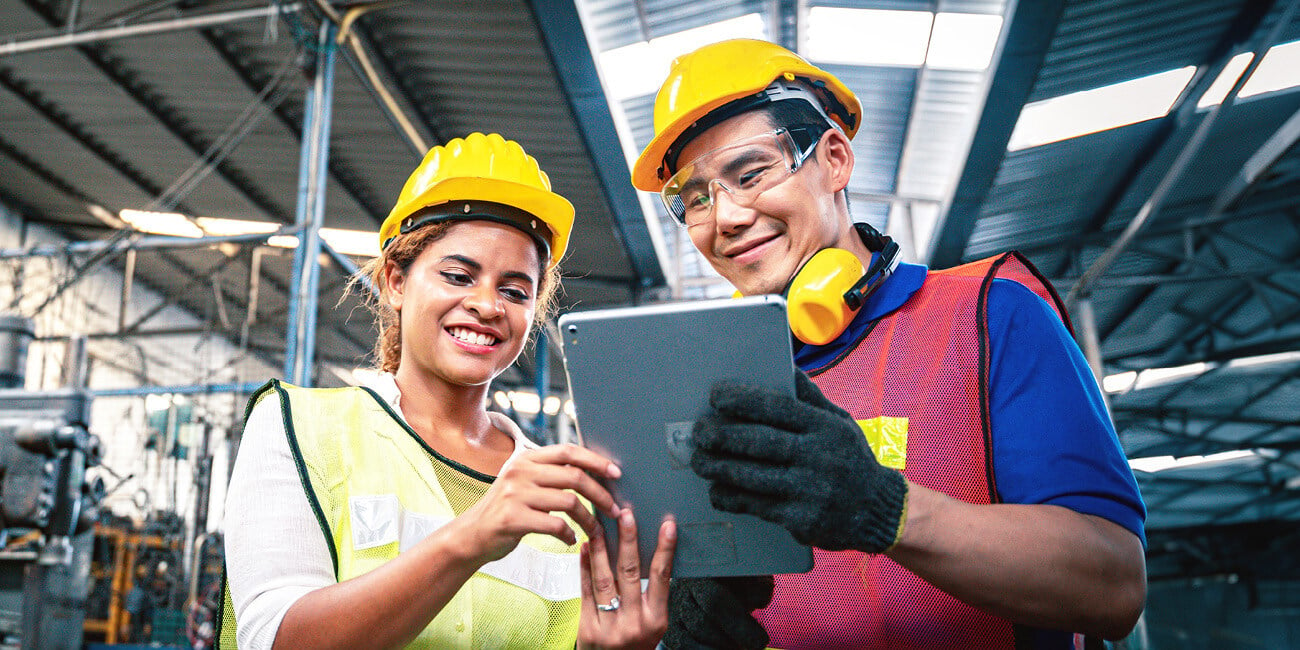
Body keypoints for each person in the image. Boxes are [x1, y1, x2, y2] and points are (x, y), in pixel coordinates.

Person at [630, 40, 1147, 649]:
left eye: (750, 174)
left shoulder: (990, 312)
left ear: (835, 159)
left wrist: (884, 507)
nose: (726, 218)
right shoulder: (708, 386)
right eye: (694, 199)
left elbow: (1114, 586)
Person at [220, 132, 676, 649]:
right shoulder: (299, 427)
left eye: (514, 290)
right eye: (459, 276)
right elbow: (271, 640)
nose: (488, 305)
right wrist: (471, 537)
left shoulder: (569, 495)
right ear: (395, 280)